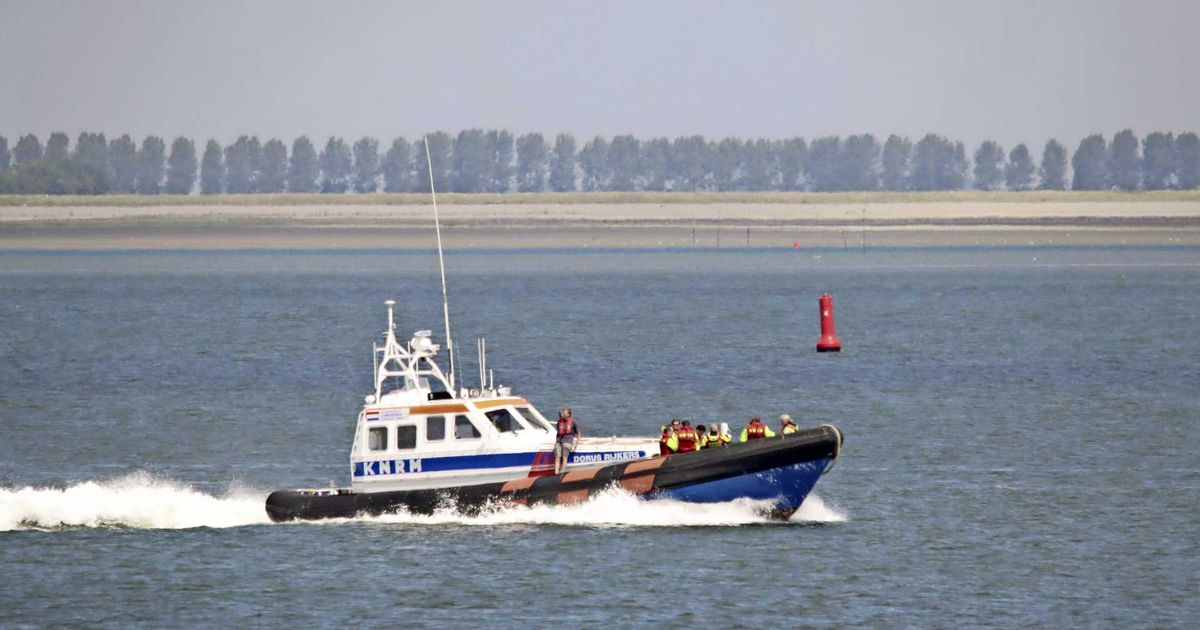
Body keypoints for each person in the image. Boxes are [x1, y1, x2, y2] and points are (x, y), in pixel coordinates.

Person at [554, 407, 580, 474]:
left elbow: (578, 433)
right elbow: (558, 432)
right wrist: (556, 442)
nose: (563, 414)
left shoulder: (574, 422)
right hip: (559, 441)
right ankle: (556, 473)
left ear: (568, 414)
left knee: (565, 457)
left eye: (565, 413)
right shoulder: (559, 421)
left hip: (568, 441)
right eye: (563, 413)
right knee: (557, 457)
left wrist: (576, 442)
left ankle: (561, 473)